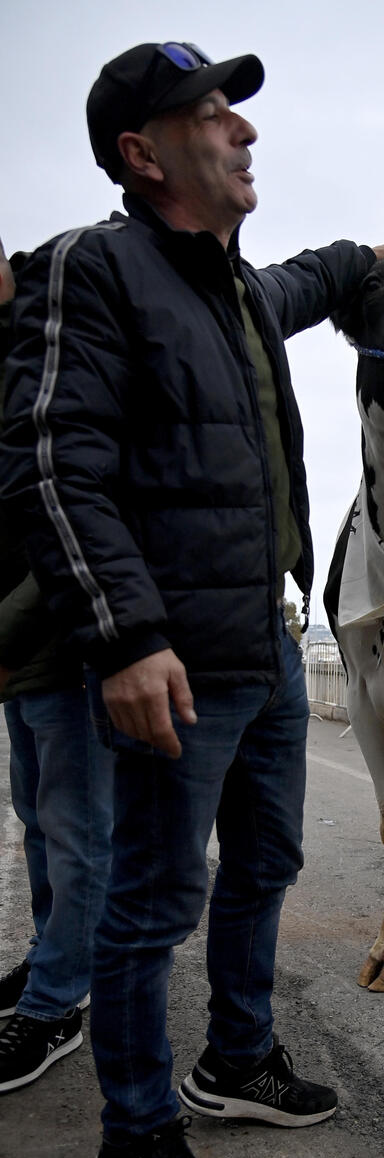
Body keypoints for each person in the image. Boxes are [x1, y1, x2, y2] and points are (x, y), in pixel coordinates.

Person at [1, 40, 384, 1158]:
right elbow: (52, 459)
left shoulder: (240, 292)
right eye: (211, 117)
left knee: (265, 864)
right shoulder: (94, 269)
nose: (244, 132)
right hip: (172, 664)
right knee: (150, 904)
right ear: (144, 156)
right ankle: (132, 1136)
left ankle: (235, 1056)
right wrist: (128, 637)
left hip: (263, 645)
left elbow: (345, 270)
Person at [0, 240, 114, 1094]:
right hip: (18, 654)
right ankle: (51, 962)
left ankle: (59, 1001)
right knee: (42, 825)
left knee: (77, 833)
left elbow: (70, 499)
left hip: (59, 638)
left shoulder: (53, 330)